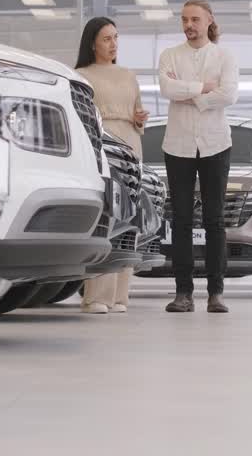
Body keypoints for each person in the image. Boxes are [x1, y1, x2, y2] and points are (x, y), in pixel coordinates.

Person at [157, 0, 239, 314]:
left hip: (215, 144)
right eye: (184, 19)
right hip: (177, 145)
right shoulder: (169, 55)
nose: (188, 25)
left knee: (214, 219)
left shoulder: (225, 56)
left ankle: (216, 292)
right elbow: (167, 89)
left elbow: (228, 94)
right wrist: (203, 88)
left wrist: (192, 96)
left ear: (209, 21)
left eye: (194, 19)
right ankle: (183, 293)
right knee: (180, 219)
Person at [75, 17, 149, 314]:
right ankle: (96, 296)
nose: (113, 44)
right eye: (107, 38)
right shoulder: (81, 75)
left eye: (116, 37)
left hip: (131, 144)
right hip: (103, 145)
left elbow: (137, 112)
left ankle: (120, 295)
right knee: (105, 219)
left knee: (129, 220)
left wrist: (139, 119)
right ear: (92, 43)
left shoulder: (129, 75)